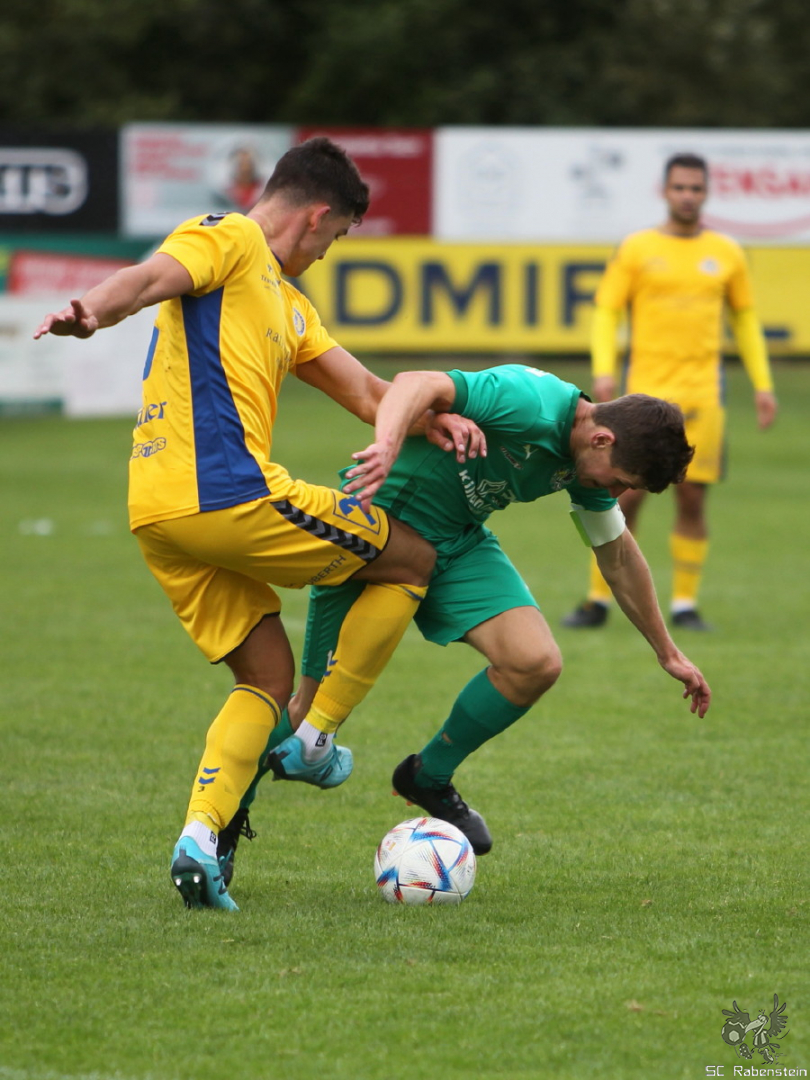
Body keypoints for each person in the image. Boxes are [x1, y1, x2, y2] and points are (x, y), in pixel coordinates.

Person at [33, 137, 477, 913]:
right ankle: (317, 739)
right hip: (228, 494)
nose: (329, 252)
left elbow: (369, 394)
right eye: (337, 237)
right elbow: (150, 277)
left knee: (267, 678)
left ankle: (199, 841)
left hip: (158, 513)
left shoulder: (289, 305)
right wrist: (94, 310)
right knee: (412, 559)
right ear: (316, 216)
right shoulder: (230, 237)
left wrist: (431, 418)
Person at [220, 364, 711, 868]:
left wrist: (667, 652)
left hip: (455, 542)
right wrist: (387, 445)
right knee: (305, 713)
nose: (613, 493)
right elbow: (415, 382)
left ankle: (427, 776)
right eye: (620, 482)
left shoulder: (584, 458)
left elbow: (619, 556)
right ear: (602, 439)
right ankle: (220, 824)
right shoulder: (530, 401)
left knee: (535, 662)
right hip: (374, 530)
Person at [563, 152, 777, 633]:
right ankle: (598, 599)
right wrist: (603, 371)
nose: (687, 196)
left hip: (703, 396)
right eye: (679, 187)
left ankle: (684, 603)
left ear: (706, 193)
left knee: (692, 498)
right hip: (643, 397)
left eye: (695, 188)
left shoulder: (726, 252)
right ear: (665, 191)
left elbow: (745, 320)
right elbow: (606, 311)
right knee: (621, 498)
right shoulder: (637, 248)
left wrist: (763, 384)